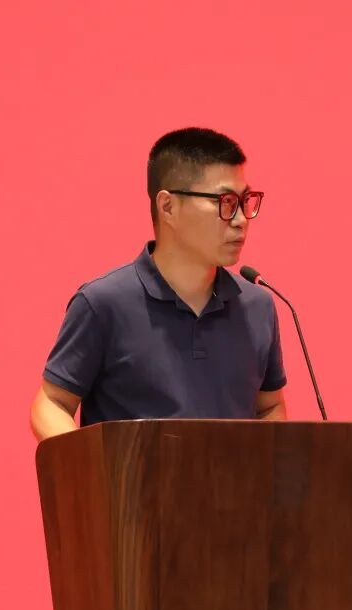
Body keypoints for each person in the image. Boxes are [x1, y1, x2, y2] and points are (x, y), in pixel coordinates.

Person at [29, 127, 287, 442]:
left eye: (244, 201)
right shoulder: (103, 303)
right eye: (225, 202)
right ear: (167, 207)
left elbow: (268, 406)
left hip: (232, 477)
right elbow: (52, 403)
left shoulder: (257, 306)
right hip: (131, 477)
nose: (240, 219)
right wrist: (87, 467)